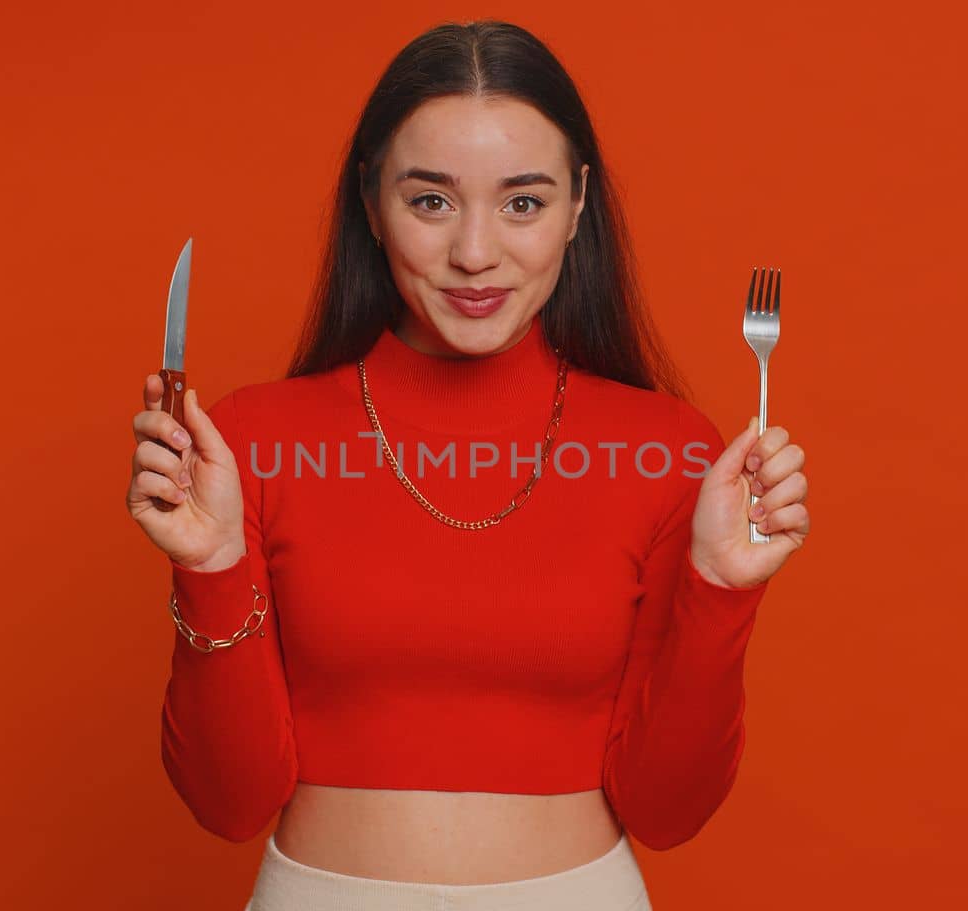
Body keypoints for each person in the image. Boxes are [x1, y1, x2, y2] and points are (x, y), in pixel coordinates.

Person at [126, 19, 810, 911]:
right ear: (372, 203)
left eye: (523, 202)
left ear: (577, 208)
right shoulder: (251, 440)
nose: (476, 253)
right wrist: (207, 566)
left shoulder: (671, 449)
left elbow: (669, 808)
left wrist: (721, 585)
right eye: (432, 201)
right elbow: (228, 802)